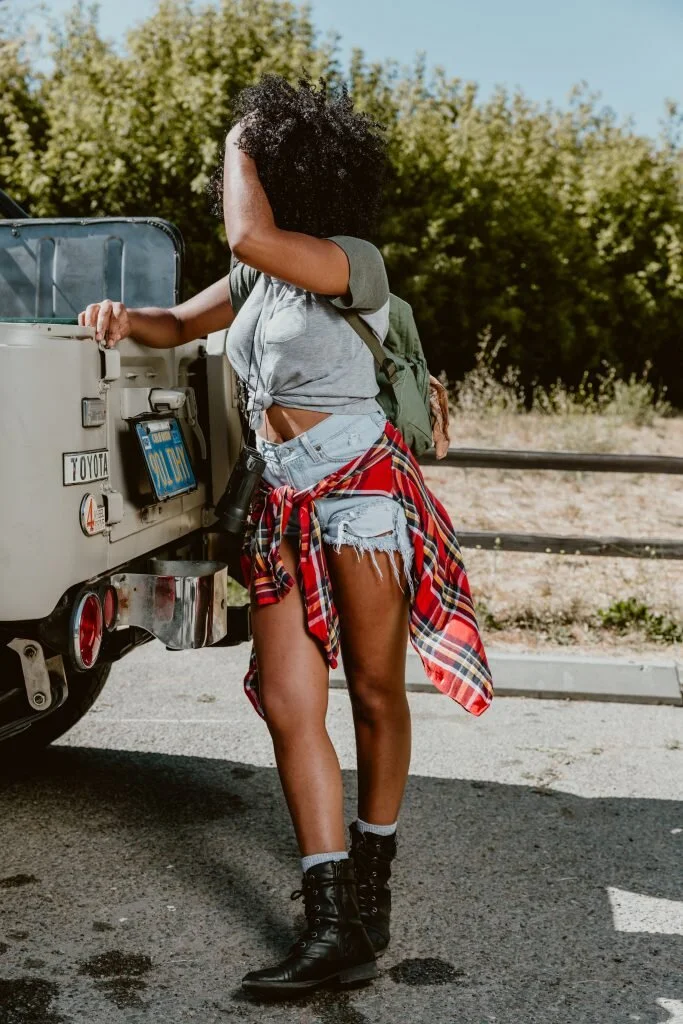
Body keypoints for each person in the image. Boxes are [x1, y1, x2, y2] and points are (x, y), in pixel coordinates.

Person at [79, 74, 492, 998]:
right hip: (282, 502)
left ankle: (373, 868)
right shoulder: (261, 275)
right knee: (287, 699)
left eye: (260, 158)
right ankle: (332, 917)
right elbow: (178, 323)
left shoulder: (352, 260)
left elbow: (247, 229)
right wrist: (117, 318)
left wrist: (236, 137)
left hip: (359, 497)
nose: (248, 169)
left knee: (377, 695)